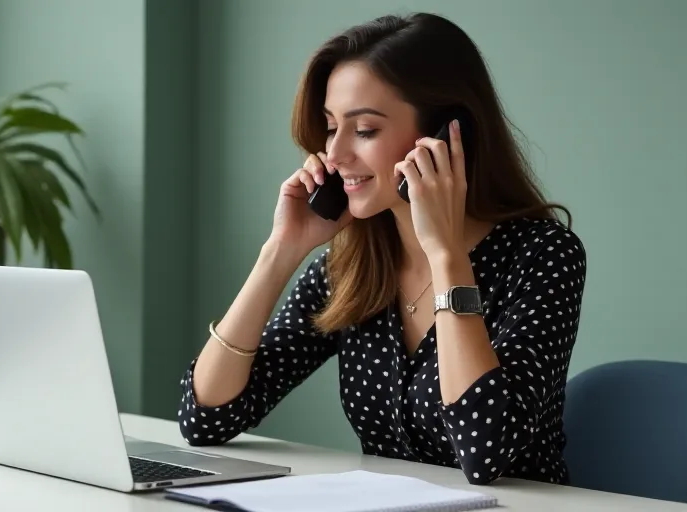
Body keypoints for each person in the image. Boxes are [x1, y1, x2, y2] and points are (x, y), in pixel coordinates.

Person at [177, 12, 587, 486]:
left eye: (365, 130)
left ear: (448, 136)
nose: (335, 154)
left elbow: (485, 451)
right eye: (331, 127)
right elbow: (204, 418)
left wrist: (447, 255)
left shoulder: (543, 255)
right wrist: (280, 252)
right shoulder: (352, 266)